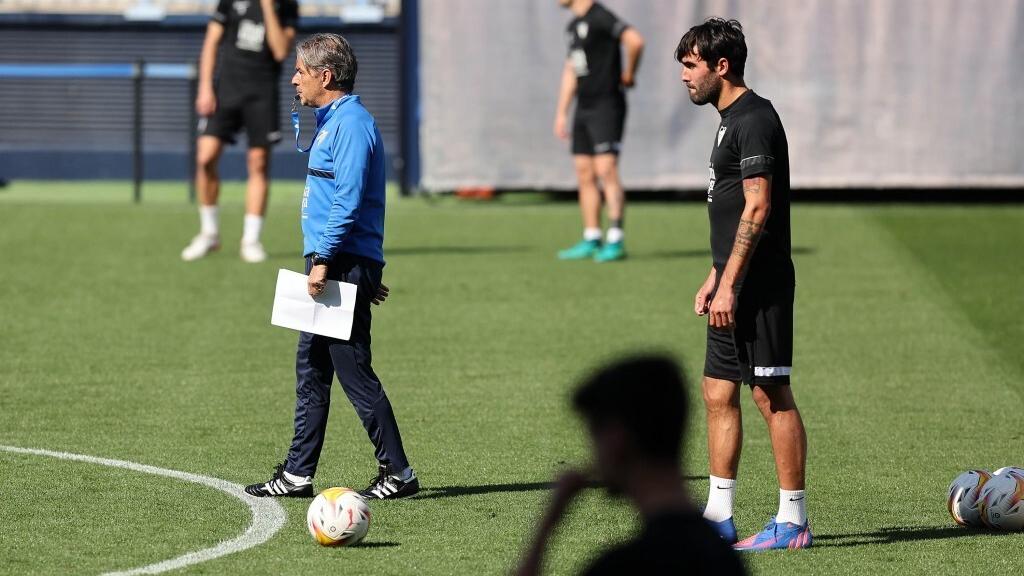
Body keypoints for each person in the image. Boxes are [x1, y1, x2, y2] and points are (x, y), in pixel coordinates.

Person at [245, 33, 418, 500]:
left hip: (336, 261)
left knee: (353, 370)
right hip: (339, 261)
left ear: (326, 76)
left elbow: (348, 199)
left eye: (301, 71)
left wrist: (329, 263)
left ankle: (398, 472)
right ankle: (299, 473)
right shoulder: (334, 121)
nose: (295, 79)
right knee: (313, 368)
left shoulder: (352, 123)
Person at [677, 18, 811, 550]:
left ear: (721, 65)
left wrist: (731, 283)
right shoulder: (727, 119)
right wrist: (715, 275)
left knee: (771, 393)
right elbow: (734, 207)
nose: (685, 77)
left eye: (690, 66)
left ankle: (793, 521)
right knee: (717, 390)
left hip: (761, 285)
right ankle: (718, 515)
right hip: (732, 280)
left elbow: (759, 205)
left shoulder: (755, 119)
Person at [515, 356, 746, 575]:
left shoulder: (621, 567)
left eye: (593, 438)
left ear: (617, 442)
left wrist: (546, 528)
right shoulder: (726, 559)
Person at [181, 0, 299, 263]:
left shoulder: (287, 5)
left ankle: (251, 239)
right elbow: (212, 41)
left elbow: (280, 51)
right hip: (227, 90)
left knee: (258, 162)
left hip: (262, 93)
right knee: (205, 157)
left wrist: (269, 7)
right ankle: (209, 232)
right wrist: (205, 87)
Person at [554, 0, 644, 263]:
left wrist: (629, 73)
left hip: (607, 105)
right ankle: (592, 236)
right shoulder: (573, 26)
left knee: (606, 169)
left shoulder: (600, 16)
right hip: (583, 107)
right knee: (584, 171)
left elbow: (635, 41)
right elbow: (571, 69)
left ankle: (615, 239)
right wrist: (562, 111)